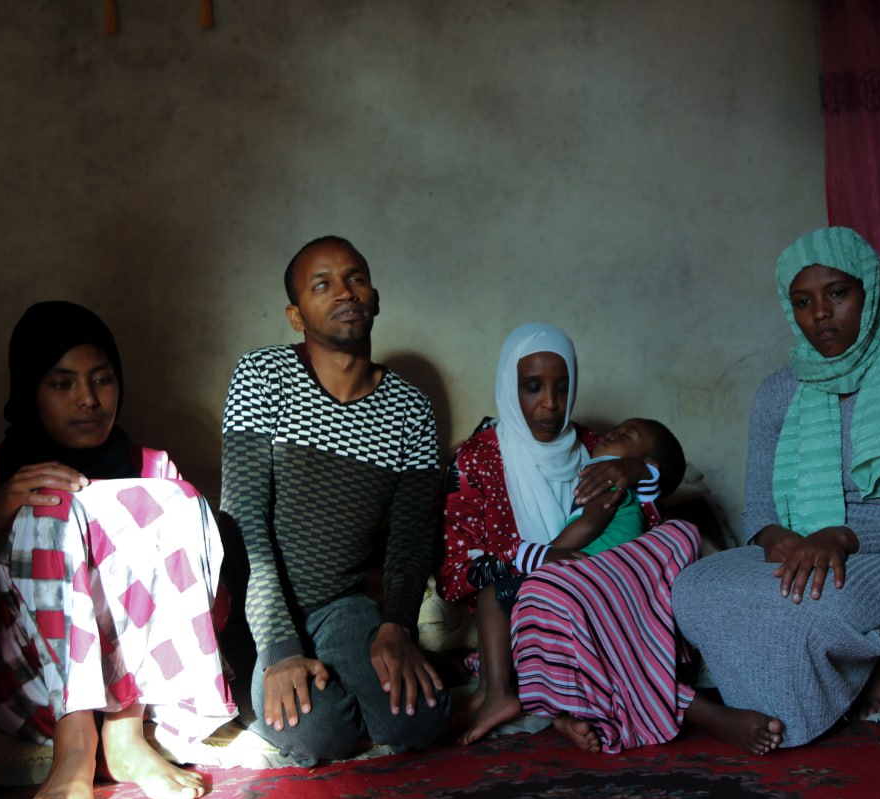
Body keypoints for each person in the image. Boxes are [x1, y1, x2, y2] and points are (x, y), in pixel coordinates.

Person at [0, 301, 235, 799]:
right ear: (29, 390)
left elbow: (207, 617)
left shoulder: (154, 470)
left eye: (103, 380)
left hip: (147, 694)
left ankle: (123, 733)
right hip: (26, 689)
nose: (89, 401)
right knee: (53, 505)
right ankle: (76, 738)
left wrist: (159, 512)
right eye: (62, 384)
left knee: (169, 497)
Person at [672, 226, 880, 755]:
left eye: (838, 294)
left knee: (811, 608)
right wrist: (776, 536)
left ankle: (814, 699)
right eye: (804, 302)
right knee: (693, 589)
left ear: (870, 292)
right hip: (801, 545)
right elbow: (758, 507)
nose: (821, 313)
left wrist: (841, 537)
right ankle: (808, 684)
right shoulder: (779, 390)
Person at [220, 235, 449, 766]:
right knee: (319, 735)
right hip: (262, 610)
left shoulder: (410, 408)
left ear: (374, 298)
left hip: (342, 607)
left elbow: (413, 537)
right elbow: (244, 522)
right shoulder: (261, 377)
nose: (344, 292)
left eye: (356, 279)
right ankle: (246, 679)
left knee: (423, 718)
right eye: (322, 284)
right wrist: (278, 650)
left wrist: (396, 626)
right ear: (296, 315)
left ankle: (339, 671)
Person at [440, 322, 703, 755]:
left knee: (679, 538)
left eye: (563, 387)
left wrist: (640, 471)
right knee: (515, 608)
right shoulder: (476, 460)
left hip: (594, 585)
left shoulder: (597, 447)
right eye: (531, 387)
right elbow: (455, 574)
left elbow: (647, 519)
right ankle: (550, 704)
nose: (550, 404)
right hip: (531, 596)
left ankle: (549, 705)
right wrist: (537, 558)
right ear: (509, 386)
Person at [458, 416, 686, 745]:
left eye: (626, 434)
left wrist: (543, 553)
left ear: (644, 465)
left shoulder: (609, 477)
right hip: (596, 589)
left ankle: (496, 691)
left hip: (589, 579)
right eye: (615, 428)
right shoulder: (628, 490)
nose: (612, 433)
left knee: (494, 596)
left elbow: (590, 523)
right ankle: (565, 715)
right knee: (544, 645)